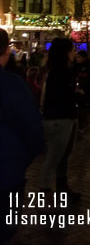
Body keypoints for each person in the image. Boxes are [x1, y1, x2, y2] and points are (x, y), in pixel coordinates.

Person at [0, 28, 44, 243]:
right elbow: (33, 131)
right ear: (5, 52)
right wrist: (20, 159)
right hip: (6, 173)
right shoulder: (13, 85)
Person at [38, 38, 81, 200]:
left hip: (65, 116)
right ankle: (45, 190)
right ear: (65, 53)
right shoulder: (59, 72)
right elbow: (59, 95)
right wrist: (74, 94)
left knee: (63, 154)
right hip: (59, 118)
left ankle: (61, 185)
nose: (74, 53)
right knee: (55, 155)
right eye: (71, 50)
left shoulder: (60, 70)